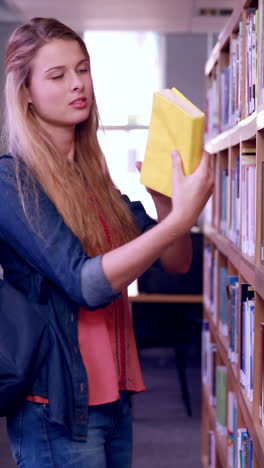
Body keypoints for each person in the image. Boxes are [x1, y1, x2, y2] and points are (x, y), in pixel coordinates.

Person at [0, 17, 213, 468]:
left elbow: (175, 261)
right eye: (57, 76)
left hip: (114, 396)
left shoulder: (94, 181)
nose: (78, 84)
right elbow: (86, 285)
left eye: (83, 69)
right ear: (26, 94)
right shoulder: (12, 180)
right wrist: (178, 223)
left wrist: (165, 204)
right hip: (56, 407)